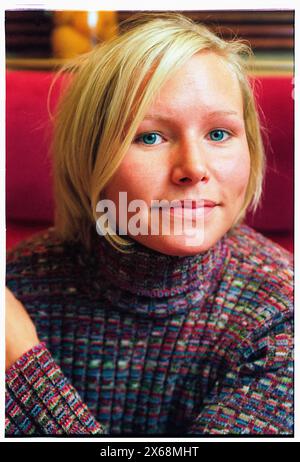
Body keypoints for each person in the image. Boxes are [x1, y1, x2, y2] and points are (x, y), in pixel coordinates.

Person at [5, 12, 293, 436]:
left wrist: (18, 363)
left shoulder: (283, 315)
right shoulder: (17, 284)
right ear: (89, 159)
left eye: (219, 134)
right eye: (150, 137)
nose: (193, 169)